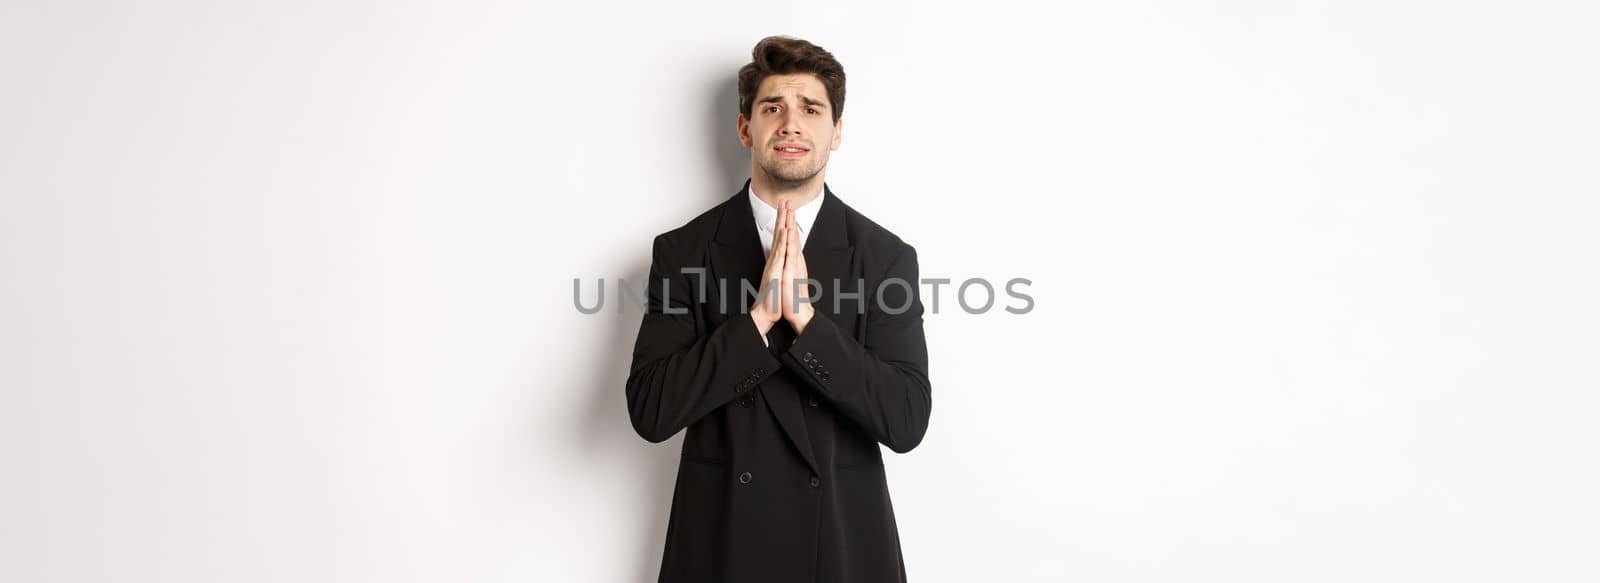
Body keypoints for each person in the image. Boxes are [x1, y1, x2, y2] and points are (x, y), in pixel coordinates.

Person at [625, 35, 932, 583]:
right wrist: (758, 321)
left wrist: (807, 323)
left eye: (810, 109)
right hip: (722, 542)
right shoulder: (683, 251)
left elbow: (906, 419)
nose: (791, 124)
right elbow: (651, 411)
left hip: (841, 545)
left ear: (836, 132)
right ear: (746, 128)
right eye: (773, 108)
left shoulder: (885, 258)